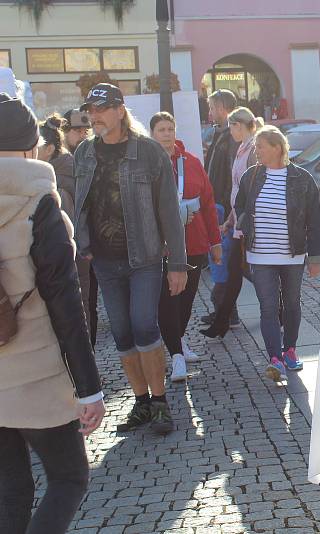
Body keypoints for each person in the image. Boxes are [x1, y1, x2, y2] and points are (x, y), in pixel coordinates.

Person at [0, 93, 105, 534]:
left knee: (11, 490)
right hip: (36, 374)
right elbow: (66, 301)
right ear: (30, 144)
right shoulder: (39, 202)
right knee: (69, 477)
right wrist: (89, 388)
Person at [73, 83, 188, 435]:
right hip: (105, 263)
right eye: (90, 111)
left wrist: (179, 263)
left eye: (101, 109)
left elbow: (169, 210)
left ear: (120, 111)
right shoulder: (84, 153)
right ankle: (140, 403)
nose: (94, 116)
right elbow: (79, 203)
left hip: (145, 259)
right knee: (122, 332)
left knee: (144, 326)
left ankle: (160, 403)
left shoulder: (150, 152)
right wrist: (84, 244)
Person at [233, 125, 320, 382]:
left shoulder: (302, 178)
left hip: (292, 254)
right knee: (268, 307)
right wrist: (244, 222)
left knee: (292, 302)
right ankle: (275, 358)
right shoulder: (252, 176)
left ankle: (291, 349)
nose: (256, 151)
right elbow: (240, 204)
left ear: (277, 147)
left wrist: (314, 259)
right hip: (260, 255)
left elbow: (314, 221)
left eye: (260, 146)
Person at [150, 112, 222, 382]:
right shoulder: (147, 164)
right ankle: (176, 355)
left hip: (193, 241)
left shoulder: (191, 162)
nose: (167, 134)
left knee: (188, 297)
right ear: (152, 134)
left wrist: (215, 242)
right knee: (168, 299)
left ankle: (178, 342)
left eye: (170, 128)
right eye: (161, 130)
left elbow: (208, 203)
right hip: (162, 246)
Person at [199, 106, 261, 340]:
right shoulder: (242, 148)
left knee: (239, 271)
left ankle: (223, 322)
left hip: (247, 224)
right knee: (239, 272)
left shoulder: (252, 149)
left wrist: (240, 221)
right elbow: (239, 190)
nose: (231, 130)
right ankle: (223, 321)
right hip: (239, 221)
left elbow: (250, 191)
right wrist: (229, 221)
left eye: (233, 126)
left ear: (239, 126)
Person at [37, 114, 97, 346]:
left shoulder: (62, 171)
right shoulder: (49, 169)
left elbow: (70, 213)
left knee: (79, 308)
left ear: (50, 148)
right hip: (59, 251)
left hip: (73, 251)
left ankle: (85, 367)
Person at [202, 89, 241, 327]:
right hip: (218, 204)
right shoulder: (221, 135)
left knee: (226, 261)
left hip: (224, 207)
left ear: (223, 108)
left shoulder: (231, 137)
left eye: (212, 108)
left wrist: (227, 210)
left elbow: (232, 177)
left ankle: (225, 311)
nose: (210, 112)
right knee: (228, 262)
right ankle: (225, 310)